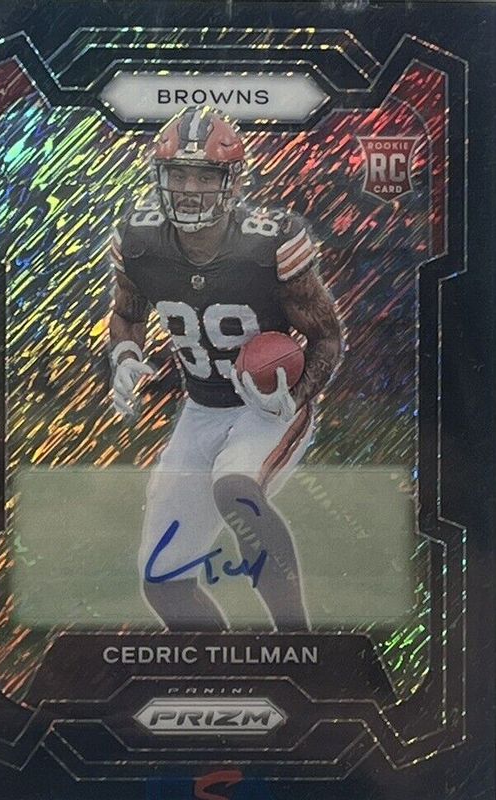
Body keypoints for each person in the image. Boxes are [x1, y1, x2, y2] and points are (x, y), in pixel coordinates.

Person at [108, 106, 342, 632]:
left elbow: (327, 336)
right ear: (160, 177)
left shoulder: (268, 243)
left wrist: (294, 396)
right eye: (178, 174)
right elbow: (127, 314)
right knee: (162, 580)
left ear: (231, 182)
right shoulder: (140, 242)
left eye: (204, 176)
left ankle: (297, 643)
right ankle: (220, 663)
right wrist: (124, 356)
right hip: (200, 408)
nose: (189, 189)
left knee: (233, 486)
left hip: (266, 408)